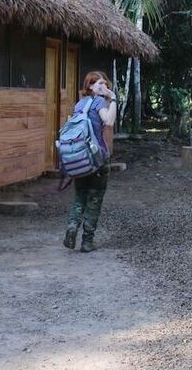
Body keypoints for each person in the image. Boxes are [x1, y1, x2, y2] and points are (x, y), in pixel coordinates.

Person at [63, 71, 117, 253]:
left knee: (80, 197)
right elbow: (108, 121)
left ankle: (72, 226)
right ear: (91, 86)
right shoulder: (99, 102)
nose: (104, 87)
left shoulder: (79, 105)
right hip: (98, 159)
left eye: (106, 84)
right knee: (94, 199)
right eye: (100, 84)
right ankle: (87, 241)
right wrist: (114, 99)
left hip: (79, 159)